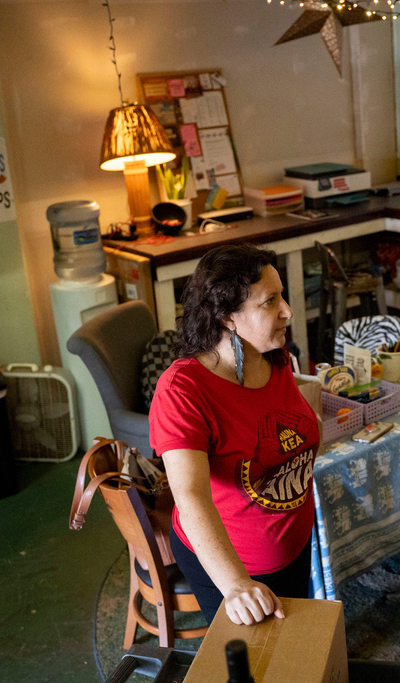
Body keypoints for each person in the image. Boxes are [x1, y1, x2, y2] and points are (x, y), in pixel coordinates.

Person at [149, 243, 320, 626]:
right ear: (227, 317)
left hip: (294, 543)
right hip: (234, 566)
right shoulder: (183, 390)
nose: (288, 311)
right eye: (270, 301)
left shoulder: (274, 357)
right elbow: (190, 496)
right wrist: (236, 584)